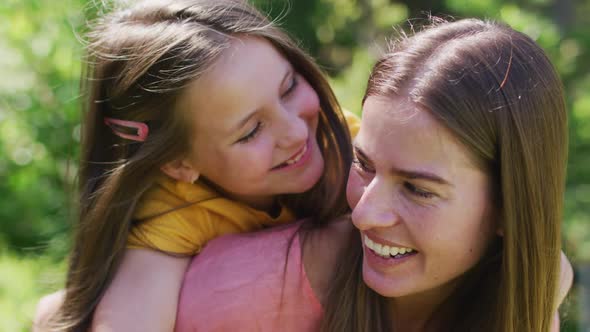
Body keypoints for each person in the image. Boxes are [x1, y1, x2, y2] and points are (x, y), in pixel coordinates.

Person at [174, 18, 573, 332]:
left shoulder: (519, 303)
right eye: (364, 164)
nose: (364, 215)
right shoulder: (233, 295)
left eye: (417, 189)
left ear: (507, 208)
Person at [32, 0, 360, 331]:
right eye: (251, 131)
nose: (295, 131)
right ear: (178, 164)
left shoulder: (354, 148)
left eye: (288, 88)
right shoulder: (178, 207)